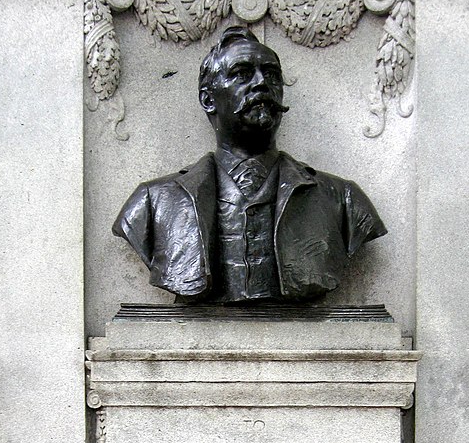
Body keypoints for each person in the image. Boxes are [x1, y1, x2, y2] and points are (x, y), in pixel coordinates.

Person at [113, 26, 386, 303]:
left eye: (271, 75)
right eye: (242, 74)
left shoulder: (342, 199)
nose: (260, 84)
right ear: (208, 99)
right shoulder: (154, 200)